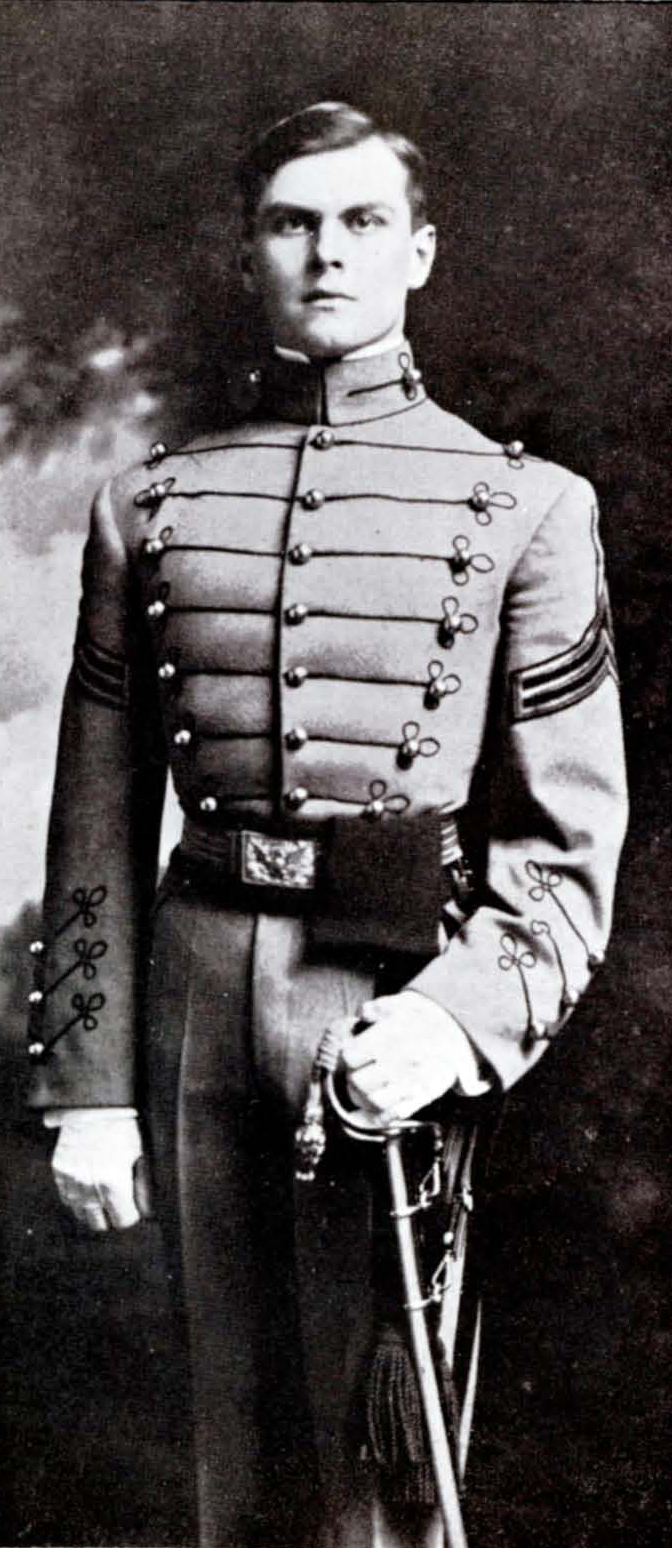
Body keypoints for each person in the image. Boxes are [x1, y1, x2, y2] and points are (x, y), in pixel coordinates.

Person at [26, 102, 628, 1548]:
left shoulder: (527, 508)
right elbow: (95, 818)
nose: (327, 254)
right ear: (250, 253)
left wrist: (458, 1022)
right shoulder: (148, 507)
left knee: (382, 1458)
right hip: (190, 993)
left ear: (420, 252)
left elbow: (567, 845)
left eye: (363, 222)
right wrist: (89, 1086)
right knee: (229, 1454)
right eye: (292, 224)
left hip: (391, 987)